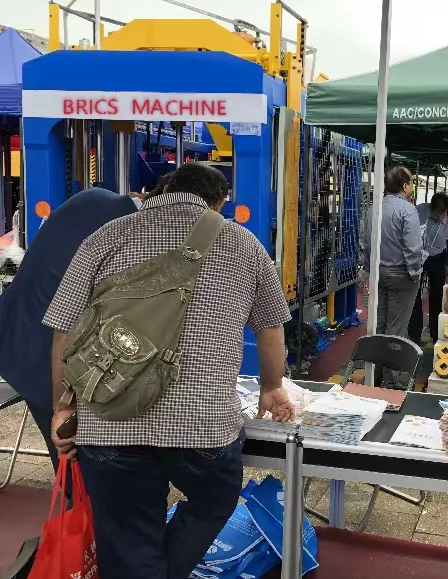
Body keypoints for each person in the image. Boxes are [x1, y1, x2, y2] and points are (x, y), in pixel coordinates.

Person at [43, 163, 294, 579]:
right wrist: (271, 387)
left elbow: (63, 332)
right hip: (203, 426)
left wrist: (62, 407)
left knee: (127, 537)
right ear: (219, 203)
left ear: (164, 190)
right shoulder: (244, 244)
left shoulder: (106, 236)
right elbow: (270, 326)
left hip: (109, 419)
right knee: (214, 501)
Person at [0, 184, 164, 473]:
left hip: (14, 330)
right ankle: (77, 495)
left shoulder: (92, 197)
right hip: (45, 350)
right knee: (74, 452)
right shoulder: (131, 231)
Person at [363, 165, 423, 389]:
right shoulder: (408, 210)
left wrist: (370, 269)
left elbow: (366, 243)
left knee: (378, 325)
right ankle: (392, 380)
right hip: (401, 275)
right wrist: (415, 273)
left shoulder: (374, 208)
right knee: (396, 328)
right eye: (411, 182)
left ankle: (374, 374)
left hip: (378, 273)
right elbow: (413, 249)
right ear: (405, 186)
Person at [408, 193, 448, 346]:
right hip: (418, 255)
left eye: (443, 215)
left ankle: (436, 334)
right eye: (437, 215)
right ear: (431, 209)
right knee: (414, 293)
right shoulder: (418, 212)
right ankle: (414, 335)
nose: (440, 218)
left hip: (437, 257)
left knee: (438, 295)